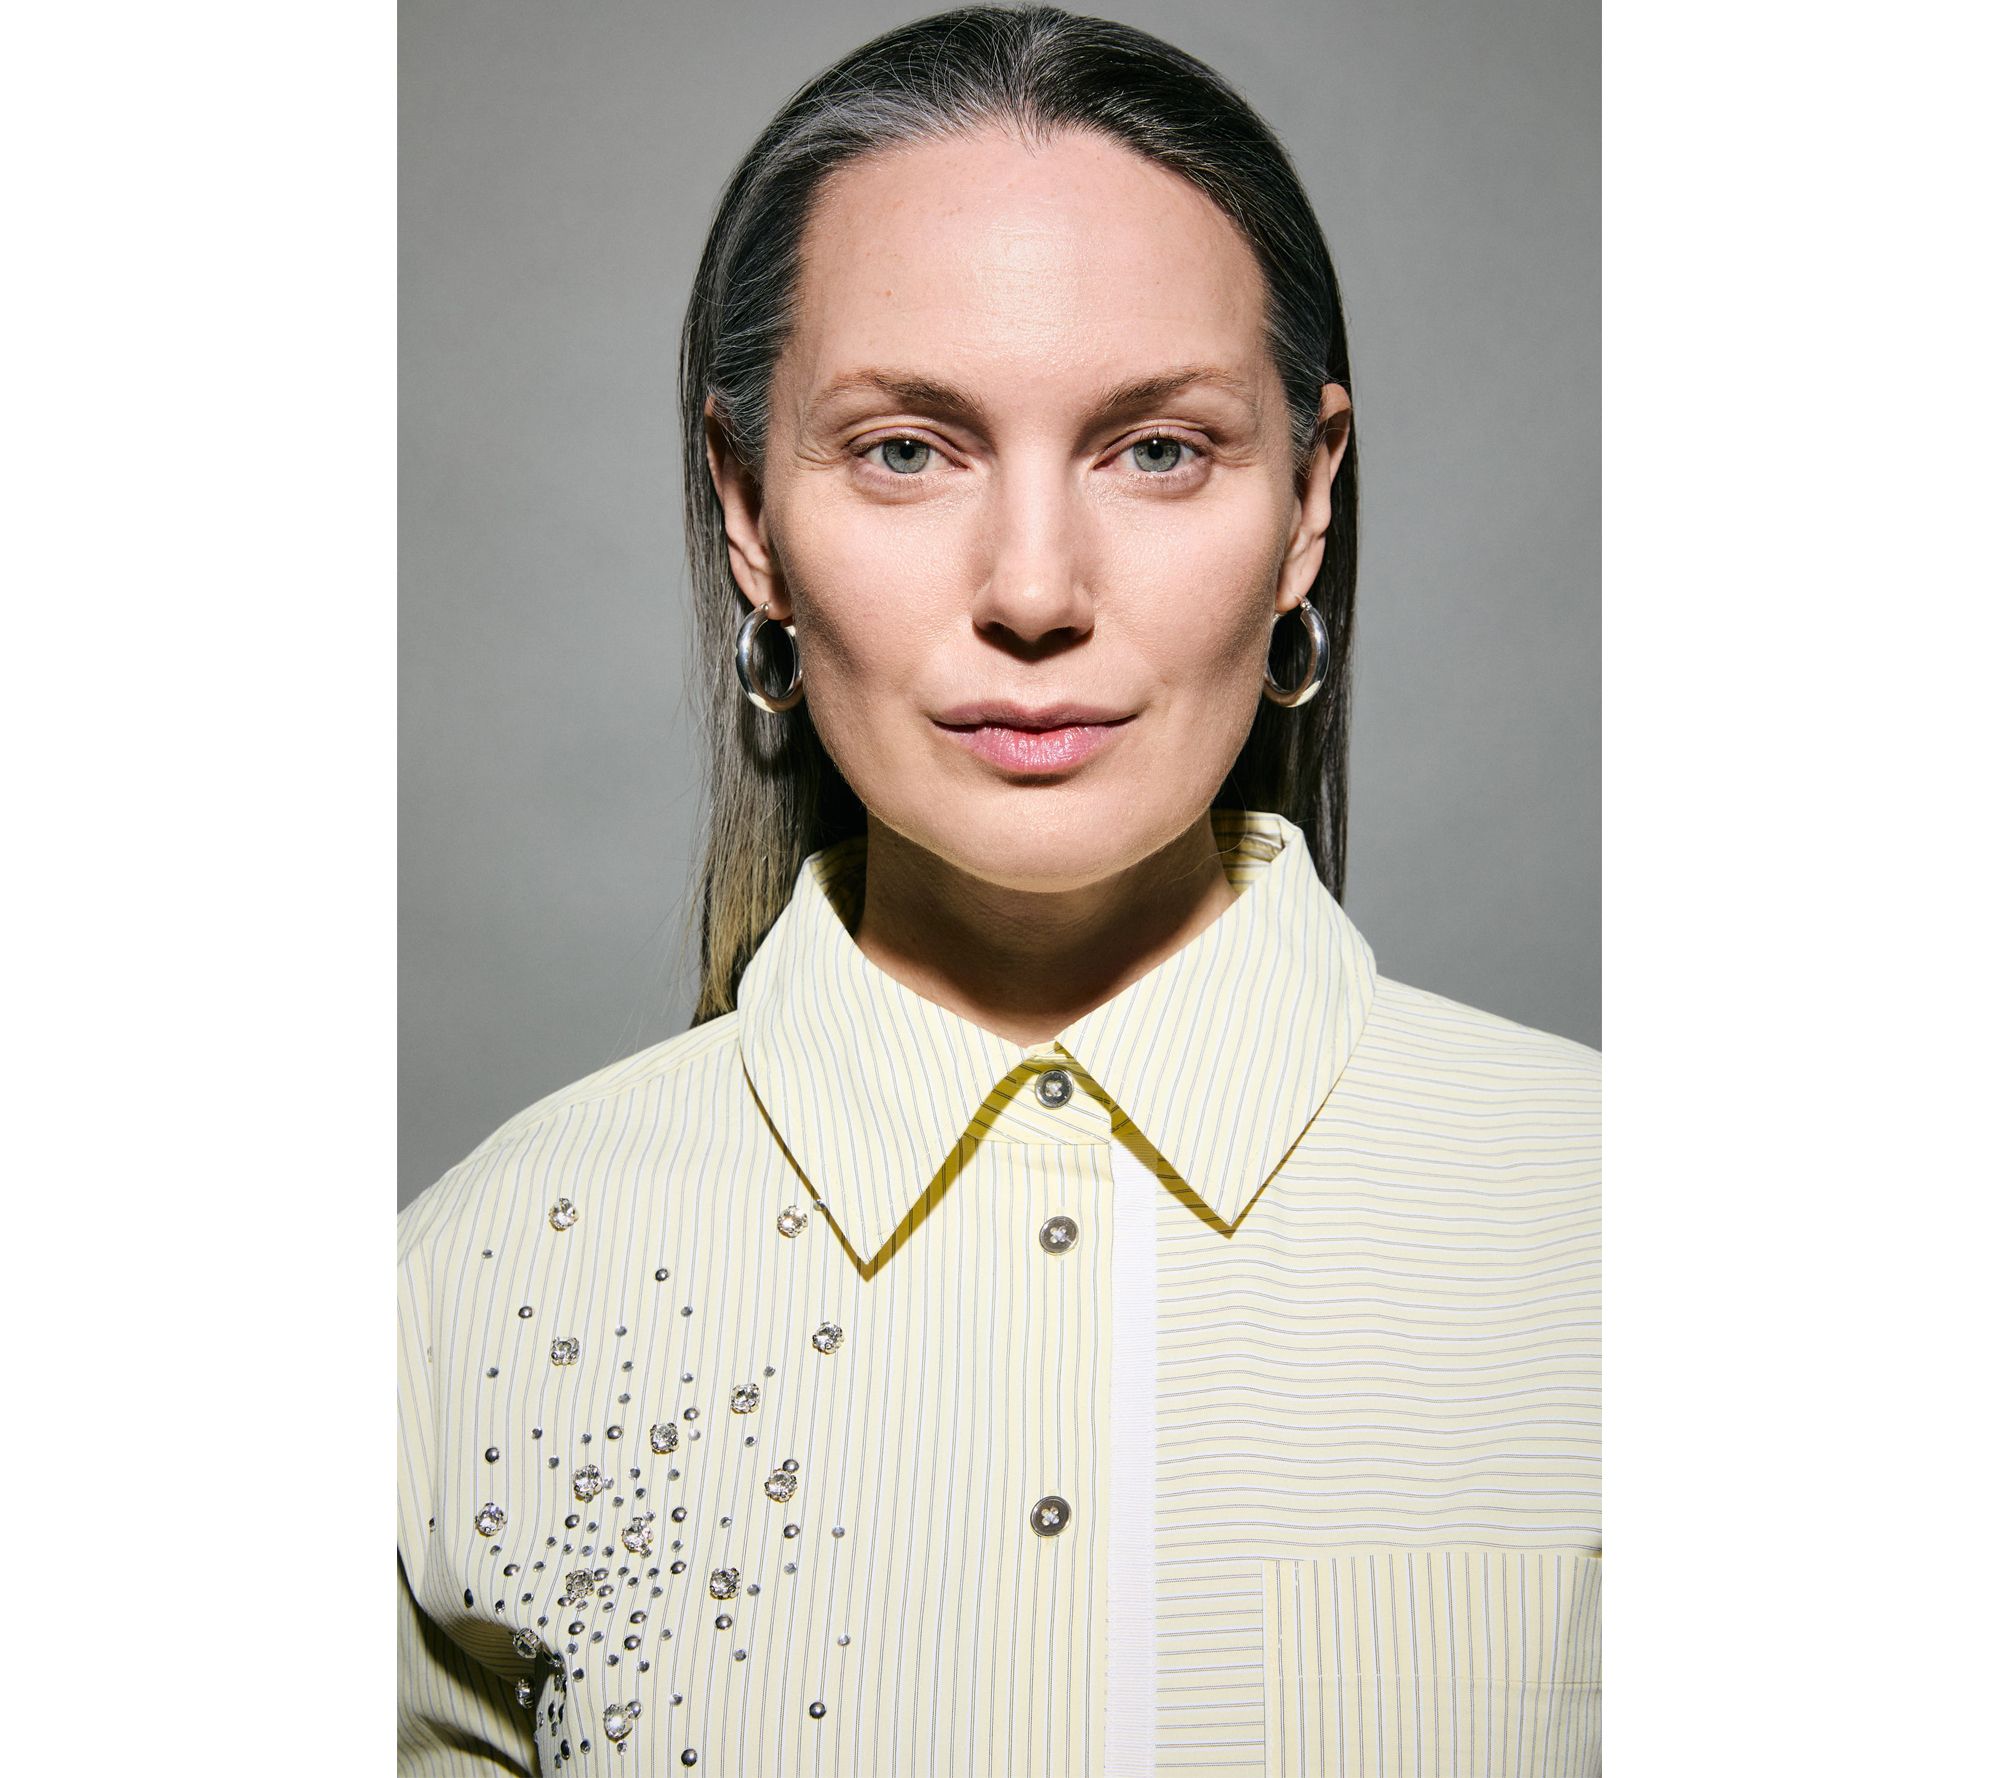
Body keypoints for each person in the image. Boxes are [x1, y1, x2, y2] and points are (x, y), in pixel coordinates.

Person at [396, 7, 1600, 1774]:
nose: (1034, 590)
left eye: (1159, 448)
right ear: (749, 514)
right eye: (905, 448)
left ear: (1308, 504)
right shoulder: (473, 1296)